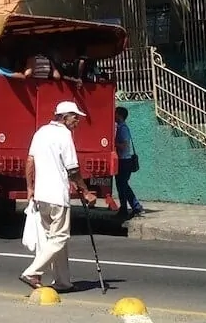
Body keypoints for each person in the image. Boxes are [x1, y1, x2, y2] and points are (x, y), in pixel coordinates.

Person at [19, 101, 96, 291]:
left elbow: (30, 160)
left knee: (52, 238)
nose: (77, 120)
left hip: (41, 195)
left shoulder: (41, 132)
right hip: (56, 195)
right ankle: (32, 272)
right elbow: (73, 169)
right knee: (60, 237)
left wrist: (30, 187)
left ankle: (63, 281)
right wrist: (85, 191)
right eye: (74, 116)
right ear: (63, 117)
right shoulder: (64, 135)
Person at [115, 106, 144, 218]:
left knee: (123, 185)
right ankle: (124, 209)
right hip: (121, 161)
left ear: (120, 115)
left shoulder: (123, 128)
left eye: (115, 113)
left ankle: (136, 207)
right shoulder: (119, 127)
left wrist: (113, 144)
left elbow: (124, 145)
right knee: (121, 186)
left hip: (124, 161)